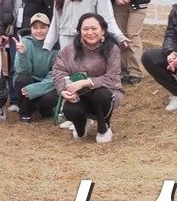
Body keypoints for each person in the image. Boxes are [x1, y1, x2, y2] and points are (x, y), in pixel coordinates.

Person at [51, 13, 124, 142]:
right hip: (80, 95)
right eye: (85, 29)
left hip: (107, 93)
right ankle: (80, 126)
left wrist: (85, 82)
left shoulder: (113, 49)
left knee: (100, 95)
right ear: (79, 31)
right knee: (70, 109)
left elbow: (112, 78)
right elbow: (58, 71)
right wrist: (62, 90)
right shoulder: (69, 50)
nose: (90, 32)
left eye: (94, 28)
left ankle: (104, 126)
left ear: (103, 31)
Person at [14, 13, 59, 123]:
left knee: (50, 98)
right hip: (29, 80)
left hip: (46, 83)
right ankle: (25, 114)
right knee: (22, 78)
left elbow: (56, 74)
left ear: (49, 28)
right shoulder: (24, 42)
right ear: (31, 29)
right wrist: (23, 54)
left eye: (43, 27)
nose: (39, 31)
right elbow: (21, 70)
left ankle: (43, 110)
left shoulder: (57, 46)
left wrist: (35, 89)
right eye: (35, 27)